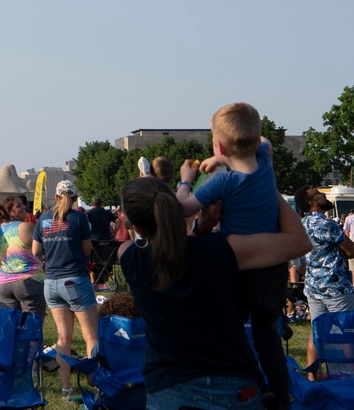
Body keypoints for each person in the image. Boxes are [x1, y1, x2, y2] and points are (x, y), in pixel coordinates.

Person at [119, 175, 311, 409]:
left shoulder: (129, 257)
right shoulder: (222, 248)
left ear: (137, 227)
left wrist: (199, 227)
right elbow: (300, 242)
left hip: (169, 388)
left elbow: (171, 252)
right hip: (235, 385)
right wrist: (264, 178)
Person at [177, 103, 288, 409]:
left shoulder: (224, 182)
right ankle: (280, 399)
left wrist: (186, 179)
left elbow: (183, 207)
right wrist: (220, 157)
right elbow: (263, 142)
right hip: (274, 269)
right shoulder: (265, 162)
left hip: (238, 268)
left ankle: (252, 384)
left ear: (219, 145)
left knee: (232, 333)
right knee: (268, 337)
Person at [32, 179, 96, 400]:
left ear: (56, 197)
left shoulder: (43, 218)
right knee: (91, 337)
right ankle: (94, 382)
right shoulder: (79, 218)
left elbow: (36, 250)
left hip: (52, 283)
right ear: (76, 197)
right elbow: (87, 250)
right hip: (76, 280)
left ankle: (66, 388)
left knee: (63, 339)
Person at [301, 189, 354, 373]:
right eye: (317, 193)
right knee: (346, 332)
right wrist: (339, 251)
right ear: (311, 203)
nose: (322, 194)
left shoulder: (302, 223)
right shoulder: (327, 224)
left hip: (313, 287)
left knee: (316, 333)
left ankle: (311, 378)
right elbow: (351, 250)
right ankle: (348, 378)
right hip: (335, 287)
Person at [0, 196, 46, 318]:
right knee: (32, 326)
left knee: (11, 326)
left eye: (22, 204)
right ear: (9, 212)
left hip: (4, 283)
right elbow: (43, 248)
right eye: (18, 206)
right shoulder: (26, 226)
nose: (24, 207)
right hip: (27, 279)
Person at [86, 197, 117, 289]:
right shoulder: (107, 213)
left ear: (92, 204)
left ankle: (93, 282)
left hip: (94, 242)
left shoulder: (90, 213)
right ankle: (105, 282)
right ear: (101, 203)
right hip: (108, 242)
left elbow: (84, 223)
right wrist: (114, 232)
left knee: (92, 261)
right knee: (106, 261)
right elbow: (118, 221)